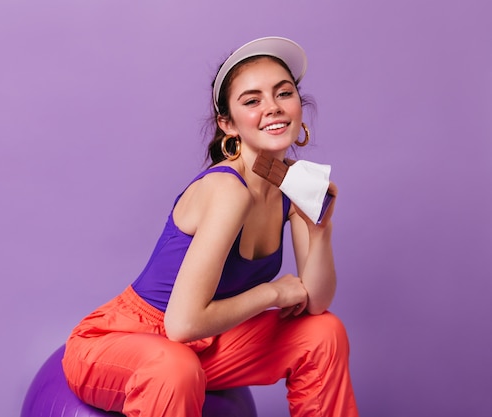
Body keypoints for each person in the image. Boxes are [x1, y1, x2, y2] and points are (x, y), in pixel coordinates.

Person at [62, 36, 359, 417]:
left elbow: (316, 301)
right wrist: (272, 293)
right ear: (227, 124)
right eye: (252, 101)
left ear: (299, 106)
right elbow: (183, 324)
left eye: (283, 93)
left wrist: (319, 226)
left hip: (207, 347)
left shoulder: (289, 185)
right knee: (174, 367)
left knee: (323, 333)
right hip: (122, 343)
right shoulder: (226, 190)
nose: (272, 108)